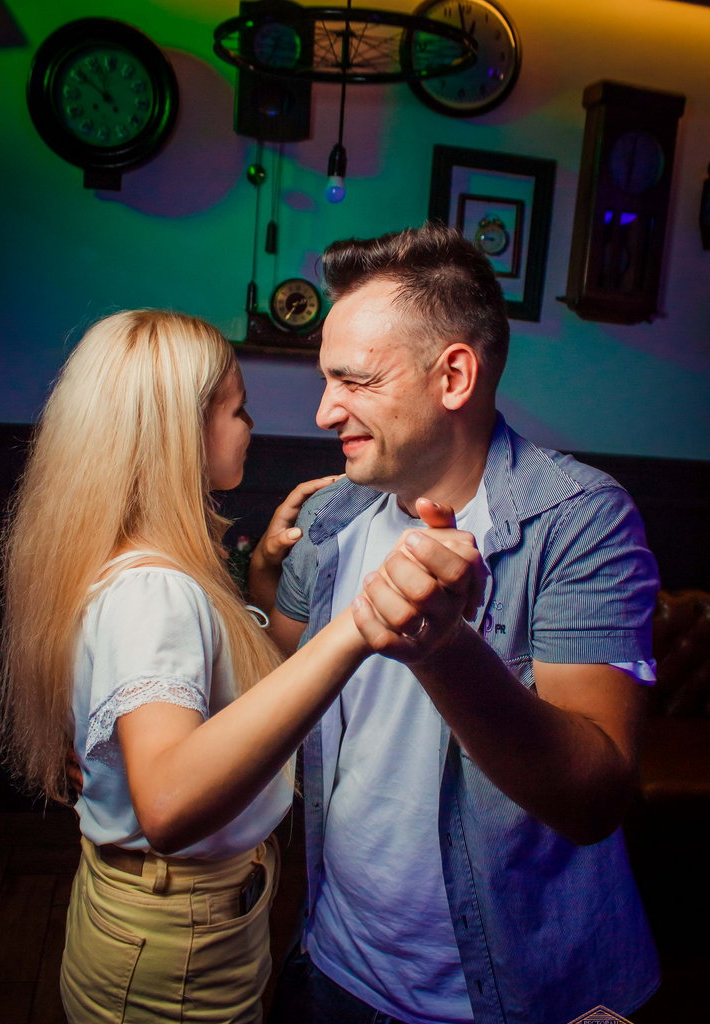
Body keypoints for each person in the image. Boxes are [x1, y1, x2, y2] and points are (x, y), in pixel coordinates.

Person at [251, 223, 661, 1024]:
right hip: (332, 959)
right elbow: (274, 680)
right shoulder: (332, 516)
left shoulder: (580, 520)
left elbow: (594, 796)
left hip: (511, 996)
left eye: (355, 380)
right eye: (326, 379)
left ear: (454, 376)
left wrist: (444, 652)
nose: (326, 410)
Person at [0, 308, 436, 1024]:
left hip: (171, 923)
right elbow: (169, 805)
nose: (251, 426)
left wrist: (261, 582)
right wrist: (360, 625)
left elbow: (220, 709)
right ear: (179, 431)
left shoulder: (128, 560)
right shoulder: (154, 589)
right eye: (237, 409)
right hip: (178, 943)